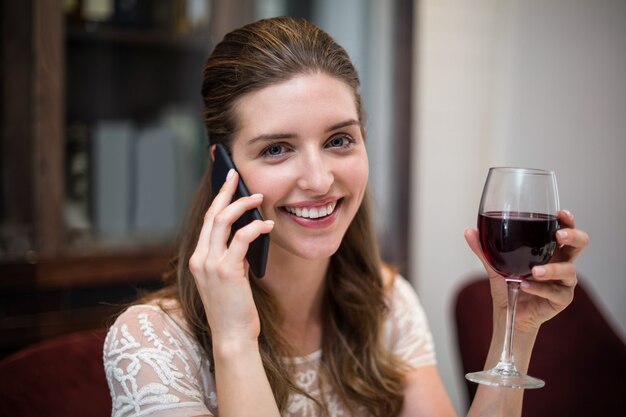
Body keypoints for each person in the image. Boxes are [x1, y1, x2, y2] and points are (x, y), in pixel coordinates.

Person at [103, 16, 588, 417]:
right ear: (223, 170)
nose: (318, 180)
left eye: (339, 140)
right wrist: (234, 339)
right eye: (276, 149)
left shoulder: (388, 302)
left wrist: (515, 329)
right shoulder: (151, 344)